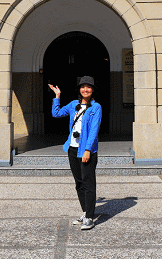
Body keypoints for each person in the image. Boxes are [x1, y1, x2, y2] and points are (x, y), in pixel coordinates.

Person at [48, 75, 102, 230]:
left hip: (87, 151)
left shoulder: (96, 107)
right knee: (79, 183)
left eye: (89, 87)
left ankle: (90, 217)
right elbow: (56, 114)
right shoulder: (73, 104)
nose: (85, 89)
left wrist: (87, 150)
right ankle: (85, 212)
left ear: (92, 90)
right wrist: (57, 96)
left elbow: (93, 131)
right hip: (72, 149)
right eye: (83, 86)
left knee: (88, 183)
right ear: (79, 89)